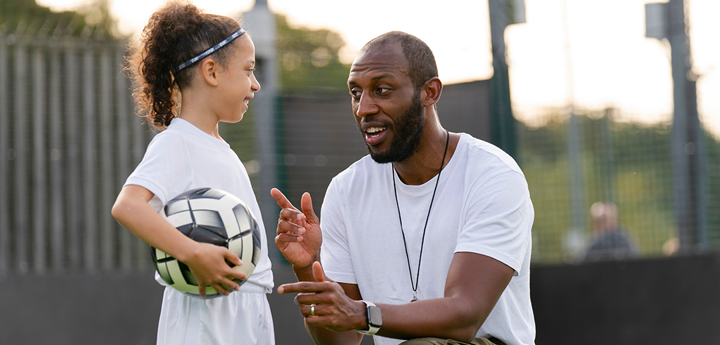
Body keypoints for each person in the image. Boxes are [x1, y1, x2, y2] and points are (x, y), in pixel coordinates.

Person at [271, 31, 535, 345]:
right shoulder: (345, 190)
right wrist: (308, 265)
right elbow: (341, 342)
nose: (363, 108)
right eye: (356, 93)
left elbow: (466, 314)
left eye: (382, 90)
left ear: (430, 92)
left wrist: (362, 314)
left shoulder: (491, 174)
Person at [111, 3, 274, 344]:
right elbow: (128, 206)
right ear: (211, 71)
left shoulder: (219, 148)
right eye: (248, 70)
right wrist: (193, 253)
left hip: (249, 305)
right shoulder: (177, 143)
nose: (256, 84)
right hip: (207, 311)